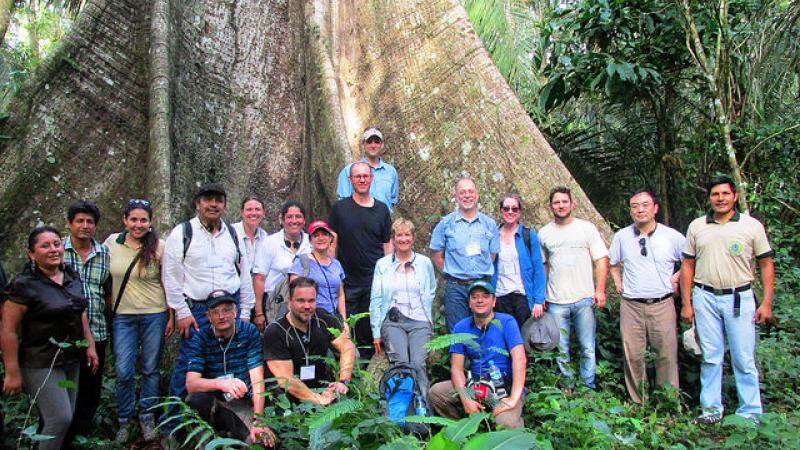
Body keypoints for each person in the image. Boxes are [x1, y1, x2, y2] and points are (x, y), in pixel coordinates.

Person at [680, 175, 774, 424]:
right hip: (705, 296)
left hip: (739, 297)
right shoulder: (697, 226)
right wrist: (687, 303)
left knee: (743, 357)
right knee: (710, 356)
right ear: (709, 198)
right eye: (715, 194)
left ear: (734, 196)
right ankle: (711, 411)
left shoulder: (751, 226)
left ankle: (750, 412)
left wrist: (766, 302)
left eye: (725, 194)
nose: (720, 199)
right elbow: (688, 265)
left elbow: (766, 263)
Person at [161, 182, 255, 430]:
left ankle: (224, 422)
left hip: (230, 306)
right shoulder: (182, 233)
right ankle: (173, 425)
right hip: (198, 311)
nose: (213, 205)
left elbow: (244, 274)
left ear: (224, 205)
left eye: (218, 200)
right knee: (189, 364)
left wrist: (245, 312)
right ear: (198, 204)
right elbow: (171, 276)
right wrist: (181, 312)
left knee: (230, 361)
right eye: (208, 200)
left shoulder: (232, 235)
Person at [1, 226, 99, 450]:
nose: (53, 249)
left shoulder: (70, 275)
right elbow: (8, 330)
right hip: (41, 363)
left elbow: (80, 312)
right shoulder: (24, 285)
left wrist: (90, 345)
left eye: (56, 244)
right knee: (59, 418)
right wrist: (11, 371)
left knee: (66, 415)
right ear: (31, 253)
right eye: (45, 246)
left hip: (71, 362)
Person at [104, 199, 175, 443]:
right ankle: (124, 420)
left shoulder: (159, 246)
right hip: (123, 316)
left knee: (150, 368)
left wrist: (171, 315)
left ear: (150, 222)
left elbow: (167, 282)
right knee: (123, 370)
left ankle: (147, 416)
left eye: (143, 220)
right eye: (133, 219)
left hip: (154, 314)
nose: (138, 224)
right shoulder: (112, 243)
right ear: (125, 220)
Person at [609, 190, 684, 403]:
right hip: (631, 304)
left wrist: (677, 277)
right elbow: (612, 263)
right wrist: (618, 283)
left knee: (666, 354)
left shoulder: (672, 236)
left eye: (645, 205)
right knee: (633, 355)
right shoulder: (622, 236)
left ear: (655, 208)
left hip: (662, 303)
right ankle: (638, 401)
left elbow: (691, 260)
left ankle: (668, 402)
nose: (640, 210)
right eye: (635, 206)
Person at [428, 281, 526, 429]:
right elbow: (456, 368)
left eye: (485, 296)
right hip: (476, 385)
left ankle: (510, 427)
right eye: (474, 297)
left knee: (507, 423)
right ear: (469, 303)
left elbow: (520, 359)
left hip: (504, 389)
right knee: (437, 393)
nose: (480, 300)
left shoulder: (507, 322)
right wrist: (466, 398)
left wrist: (513, 399)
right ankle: (465, 429)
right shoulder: (461, 327)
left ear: (494, 301)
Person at [184, 290, 276, 446]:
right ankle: (206, 444)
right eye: (215, 312)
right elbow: (191, 384)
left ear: (235, 312)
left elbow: (257, 378)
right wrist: (221, 384)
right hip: (217, 403)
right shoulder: (201, 338)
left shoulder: (248, 332)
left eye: (226, 310)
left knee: (260, 441)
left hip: (245, 401)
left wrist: (259, 419)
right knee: (195, 400)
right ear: (208, 317)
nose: (221, 316)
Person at [538, 186, 609, 389]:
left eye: (564, 201)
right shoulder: (544, 233)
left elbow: (601, 259)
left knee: (587, 347)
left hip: (584, 298)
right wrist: (542, 295)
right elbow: (543, 266)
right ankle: (567, 386)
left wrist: (600, 290)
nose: (561, 206)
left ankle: (588, 386)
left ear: (572, 204)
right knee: (561, 348)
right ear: (550, 206)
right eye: (556, 202)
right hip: (556, 301)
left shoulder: (586, 228)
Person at [329, 162, 392, 358]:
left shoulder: (382, 210)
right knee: (346, 328)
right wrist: (332, 273)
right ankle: (347, 369)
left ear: (372, 179)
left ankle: (367, 369)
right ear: (350, 180)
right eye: (358, 176)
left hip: (373, 281)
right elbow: (333, 241)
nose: (362, 180)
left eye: (366, 176)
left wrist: (388, 276)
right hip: (347, 281)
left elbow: (387, 244)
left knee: (369, 331)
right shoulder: (340, 208)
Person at [263, 277, 356, 405]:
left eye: (311, 301)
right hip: (288, 399)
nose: (307, 306)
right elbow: (286, 380)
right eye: (301, 301)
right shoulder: (275, 331)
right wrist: (318, 399)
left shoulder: (323, 318)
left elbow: (347, 345)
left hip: (323, 389)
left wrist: (343, 381)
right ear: (289, 302)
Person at [369, 218, 436, 393]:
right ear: (393, 239)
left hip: (419, 320)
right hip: (393, 321)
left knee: (418, 363)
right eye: (399, 235)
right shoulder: (383, 265)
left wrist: (427, 316)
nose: (403, 239)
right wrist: (376, 332)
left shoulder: (424, 263)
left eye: (407, 235)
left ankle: (423, 405)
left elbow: (431, 289)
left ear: (413, 237)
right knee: (401, 364)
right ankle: (402, 407)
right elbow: (376, 298)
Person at [61, 200, 109, 443]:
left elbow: (107, 291)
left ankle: (82, 436)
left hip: (97, 329)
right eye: (79, 221)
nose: (85, 225)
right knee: (63, 388)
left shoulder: (104, 253)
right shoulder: (56, 251)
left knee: (91, 388)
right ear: (69, 224)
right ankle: (61, 437)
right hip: (64, 334)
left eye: (90, 221)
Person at [429, 177, 499, 332]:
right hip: (456, 289)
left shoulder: (489, 224)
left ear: (477, 194)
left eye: (470, 191)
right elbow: (435, 253)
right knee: (458, 333)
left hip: (482, 287)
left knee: (484, 331)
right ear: (456, 196)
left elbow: (492, 255)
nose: (467, 195)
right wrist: (450, 272)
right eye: (462, 192)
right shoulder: (446, 224)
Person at [490, 193, 546, 329]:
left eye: (514, 209)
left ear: (519, 212)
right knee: (502, 337)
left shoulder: (528, 235)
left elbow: (538, 270)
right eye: (506, 208)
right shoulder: (492, 235)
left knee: (525, 337)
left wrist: (538, 301)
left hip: (522, 297)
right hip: (499, 297)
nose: (510, 212)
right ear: (500, 211)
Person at [253, 200, 311, 328]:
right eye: (289, 217)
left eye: (298, 216)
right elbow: (259, 278)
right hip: (276, 302)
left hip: (306, 305)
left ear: (304, 220)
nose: (294, 221)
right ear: (282, 220)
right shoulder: (269, 243)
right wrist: (259, 313)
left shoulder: (311, 242)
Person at [288, 220, 346, 318]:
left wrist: (343, 319)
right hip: (309, 318)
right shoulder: (302, 261)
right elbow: (292, 293)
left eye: (324, 234)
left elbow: (340, 295)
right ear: (310, 240)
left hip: (332, 319)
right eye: (316, 235)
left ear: (330, 238)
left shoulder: (336, 264)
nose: (321, 238)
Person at [336, 127, 399, 213]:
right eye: (369, 142)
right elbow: (343, 203)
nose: (373, 145)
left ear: (382, 145)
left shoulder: (391, 172)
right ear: (363, 145)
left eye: (377, 142)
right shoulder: (348, 171)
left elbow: (392, 200)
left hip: (384, 220)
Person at [232, 196, 268, 326]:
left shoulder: (264, 237)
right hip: (235, 295)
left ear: (263, 213)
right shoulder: (231, 233)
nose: (253, 213)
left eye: (257, 209)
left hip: (258, 296)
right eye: (249, 209)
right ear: (242, 212)